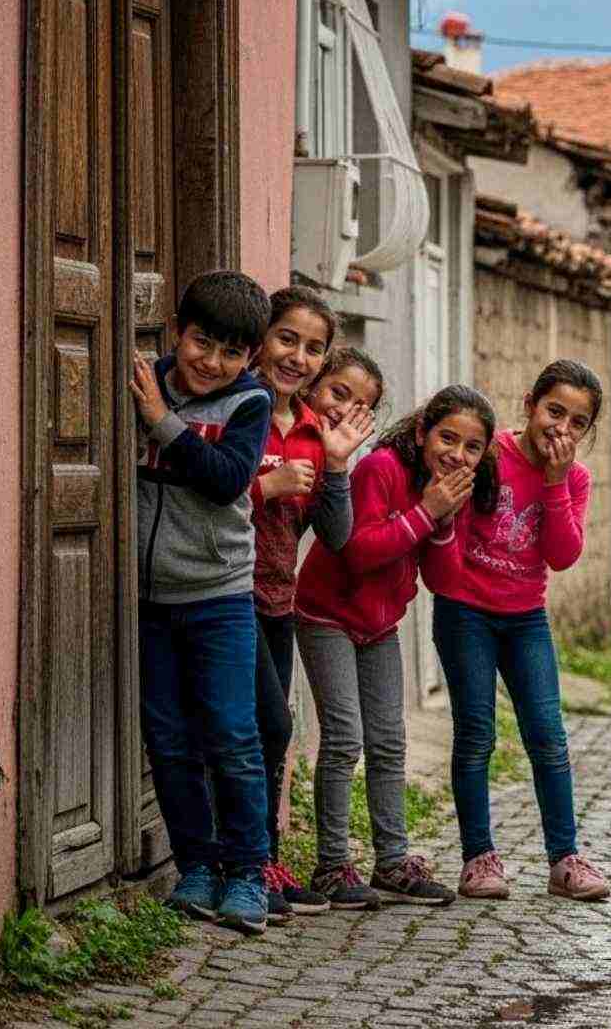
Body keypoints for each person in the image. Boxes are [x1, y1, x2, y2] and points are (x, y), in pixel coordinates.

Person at [295, 387, 493, 911]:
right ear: (423, 430)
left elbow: (445, 580)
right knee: (343, 739)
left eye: (472, 448)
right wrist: (427, 511)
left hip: (381, 625)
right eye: (448, 437)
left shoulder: (450, 491)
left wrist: (446, 520)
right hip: (327, 614)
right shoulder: (380, 469)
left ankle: (392, 862)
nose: (457, 454)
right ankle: (332, 865)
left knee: (389, 742)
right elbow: (359, 552)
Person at [424, 360, 611, 902]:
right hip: (466, 613)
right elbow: (450, 534)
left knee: (548, 736)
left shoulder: (574, 478)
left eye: (578, 423)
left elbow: (563, 555)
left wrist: (554, 484)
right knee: (476, 732)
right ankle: (478, 858)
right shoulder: (490, 457)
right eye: (555, 412)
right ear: (529, 404)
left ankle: (564, 858)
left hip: (526, 616)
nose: (562, 429)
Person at [130, 270, 276, 935]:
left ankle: (248, 873)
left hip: (219, 596)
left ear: (250, 357)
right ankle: (196, 867)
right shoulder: (145, 378)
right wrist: (157, 412)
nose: (211, 362)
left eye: (230, 352)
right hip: (150, 599)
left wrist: (163, 426)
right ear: (178, 330)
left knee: (232, 736)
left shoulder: (250, 404)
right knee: (167, 738)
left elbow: (225, 482)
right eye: (201, 343)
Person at [247, 288, 382, 921]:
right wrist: (263, 485)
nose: (298, 356)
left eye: (313, 347)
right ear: (262, 337)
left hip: (277, 600)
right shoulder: (238, 409)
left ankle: (265, 858)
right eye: (288, 339)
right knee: (261, 728)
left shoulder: (308, 432)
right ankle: (244, 861)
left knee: (274, 734)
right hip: (225, 597)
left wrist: (333, 465)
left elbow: (334, 535)